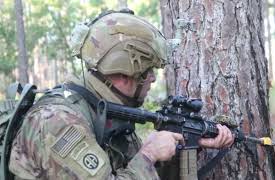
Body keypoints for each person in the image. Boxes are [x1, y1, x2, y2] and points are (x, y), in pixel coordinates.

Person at [9, 10, 234, 179]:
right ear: (126, 73)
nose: (153, 79)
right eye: (148, 71)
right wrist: (148, 154)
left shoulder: (107, 108)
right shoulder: (57, 122)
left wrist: (188, 143)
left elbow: (133, 172)